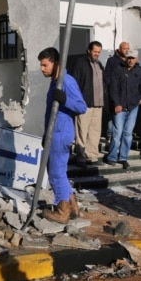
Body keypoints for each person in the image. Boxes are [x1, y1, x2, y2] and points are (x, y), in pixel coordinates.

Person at [38, 47, 87, 224]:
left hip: (61, 132)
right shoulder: (55, 81)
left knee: (55, 174)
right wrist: (46, 133)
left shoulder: (66, 81)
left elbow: (82, 107)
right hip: (55, 132)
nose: (42, 68)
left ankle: (62, 211)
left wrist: (65, 100)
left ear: (56, 63)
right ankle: (73, 207)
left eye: (45, 65)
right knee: (60, 173)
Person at [104, 48, 141, 169]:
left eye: (133, 58)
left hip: (133, 107)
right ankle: (112, 157)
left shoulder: (140, 72)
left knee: (128, 134)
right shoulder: (118, 70)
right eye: (128, 58)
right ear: (125, 58)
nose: (130, 60)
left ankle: (123, 158)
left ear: (136, 59)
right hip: (120, 107)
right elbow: (113, 89)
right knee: (117, 133)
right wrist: (116, 103)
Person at [68, 41, 105, 167]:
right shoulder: (80, 63)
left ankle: (92, 156)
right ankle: (81, 157)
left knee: (95, 132)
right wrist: (78, 100)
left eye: (99, 52)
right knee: (82, 131)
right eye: (95, 51)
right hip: (84, 103)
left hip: (98, 103)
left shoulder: (99, 64)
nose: (97, 54)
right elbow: (74, 83)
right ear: (88, 50)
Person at [103, 42, 130, 140]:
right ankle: (110, 135)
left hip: (125, 93)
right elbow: (107, 76)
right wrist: (111, 87)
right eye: (124, 48)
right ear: (119, 49)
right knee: (112, 113)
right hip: (113, 91)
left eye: (128, 48)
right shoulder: (112, 61)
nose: (127, 50)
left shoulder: (129, 61)